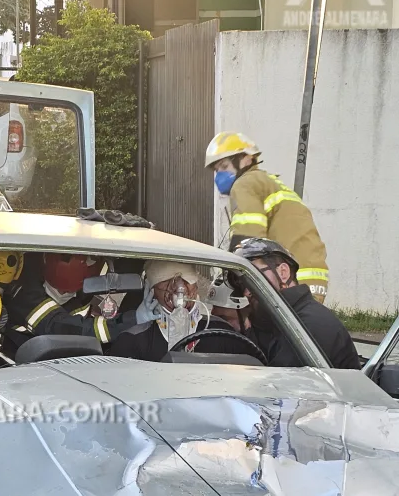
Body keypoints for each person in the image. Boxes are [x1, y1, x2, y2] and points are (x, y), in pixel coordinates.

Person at [206, 132, 330, 303]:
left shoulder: (245, 183)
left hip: (287, 276)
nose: (219, 174)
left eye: (224, 166)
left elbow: (249, 241)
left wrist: (232, 273)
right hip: (311, 274)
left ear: (246, 159)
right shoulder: (269, 182)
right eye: (216, 170)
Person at [233, 237, 359, 370]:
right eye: (243, 284)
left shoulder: (308, 323)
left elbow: (281, 385)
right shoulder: (278, 319)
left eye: (253, 277)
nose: (246, 292)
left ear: (283, 272)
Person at [109, 261, 242, 362]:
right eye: (165, 279)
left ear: (196, 285)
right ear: (151, 289)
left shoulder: (223, 334)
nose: (179, 287)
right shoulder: (132, 340)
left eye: (186, 279)